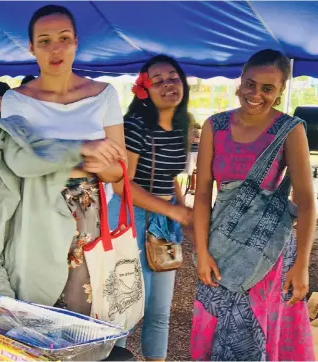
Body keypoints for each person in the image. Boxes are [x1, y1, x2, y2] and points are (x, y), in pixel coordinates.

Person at [0, 5, 126, 317]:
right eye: (44, 41)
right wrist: (84, 150)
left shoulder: (105, 94)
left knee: (85, 308)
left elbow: (117, 169)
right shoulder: (18, 99)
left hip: (91, 219)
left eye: (64, 38)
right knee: (37, 305)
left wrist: (75, 161)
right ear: (31, 47)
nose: (55, 49)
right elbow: (19, 163)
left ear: (76, 42)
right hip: (37, 213)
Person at [191, 49, 315, 361]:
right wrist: (202, 252)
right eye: (250, 84)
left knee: (255, 330)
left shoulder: (290, 130)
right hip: (220, 245)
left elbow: (307, 201)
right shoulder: (215, 126)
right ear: (240, 81)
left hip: (266, 254)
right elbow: (203, 193)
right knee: (214, 324)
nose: (255, 94)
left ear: (281, 90)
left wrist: (301, 266)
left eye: (267, 88)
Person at [106, 55, 194, 361]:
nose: (168, 85)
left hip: (163, 222)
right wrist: (171, 211)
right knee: (124, 306)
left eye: (173, 77)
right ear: (144, 89)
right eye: (158, 81)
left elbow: (171, 178)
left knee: (160, 309)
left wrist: (182, 208)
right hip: (130, 219)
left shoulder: (184, 125)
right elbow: (122, 184)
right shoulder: (135, 125)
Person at [185, 114, 201, 194]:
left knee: (192, 170)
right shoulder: (188, 130)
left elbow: (198, 140)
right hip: (192, 152)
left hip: (194, 152)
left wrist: (192, 139)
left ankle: (193, 187)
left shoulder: (194, 130)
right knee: (191, 171)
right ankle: (192, 187)